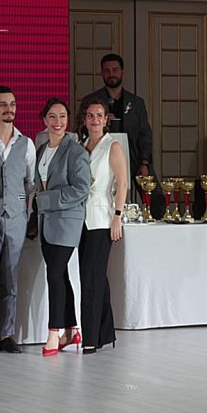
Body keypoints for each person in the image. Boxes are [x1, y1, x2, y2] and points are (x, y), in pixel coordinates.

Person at [35, 98, 91, 357]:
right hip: (45, 221)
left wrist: (45, 200)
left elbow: (81, 189)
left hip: (67, 221)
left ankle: (53, 333)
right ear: (44, 119)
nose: (58, 122)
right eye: (52, 116)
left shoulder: (76, 151)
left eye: (62, 117)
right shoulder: (41, 148)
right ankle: (71, 329)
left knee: (55, 275)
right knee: (61, 275)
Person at [0, 86, 36, 354]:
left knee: (10, 277)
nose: (9, 109)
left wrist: (22, 208)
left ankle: (5, 333)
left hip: (16, 217)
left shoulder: (26, 143)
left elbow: (30, 183)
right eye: (3, 104)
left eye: (12, 104)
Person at [77, 95, 127, 353]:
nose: (94, 120)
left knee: (91, 278)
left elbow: (122, 183)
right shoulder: (80, 145)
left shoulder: (112, 146)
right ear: (84, 120)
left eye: (99, 115)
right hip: (80, 219)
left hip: (101, 219)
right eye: (90, 116)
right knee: (94, 277)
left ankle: (90, 337)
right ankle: (105, 332)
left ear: (106, 119)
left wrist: (117, 216)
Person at [85, 53, 163, 216]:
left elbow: (145, 134)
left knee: (156, 199)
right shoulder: (91, 101)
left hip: (133, 154)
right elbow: (81, 129)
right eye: (107, 71)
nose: (111, 74)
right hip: (101, 153)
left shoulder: (136, 103)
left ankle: (157, 220)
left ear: (122, 72)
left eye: (115, 70)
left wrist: (144, 162)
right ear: (102, 74)